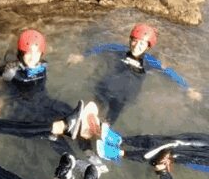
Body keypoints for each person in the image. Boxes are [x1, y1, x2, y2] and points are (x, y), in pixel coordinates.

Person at [67, 23, 201, 124]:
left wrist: (188, 88)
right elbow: (102, 47)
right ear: (130, 40)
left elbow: (169, 73)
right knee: (94, 108)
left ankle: (103, 130)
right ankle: (84, 121)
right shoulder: (119, 49)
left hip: (124, 97)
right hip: (107, 87)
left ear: (148, 46)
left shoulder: (150, 61)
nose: (137, 46)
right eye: (134, 41)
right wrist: (82, 56)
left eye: (142, 43)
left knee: (109, 120)